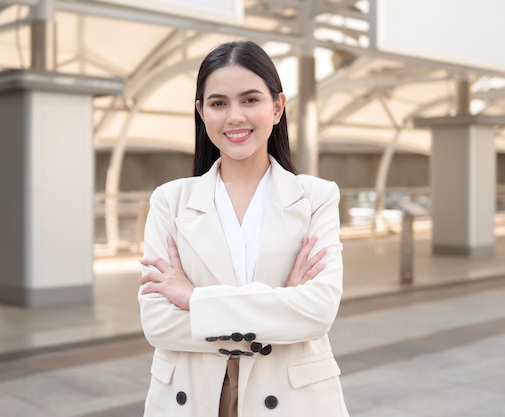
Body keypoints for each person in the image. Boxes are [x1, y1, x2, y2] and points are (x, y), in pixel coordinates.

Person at [138, 40, 349, 417]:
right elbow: (157, 323)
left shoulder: (315, 197)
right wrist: (280, 303)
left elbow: (317, 311)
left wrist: (194, 299)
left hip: (290, 398)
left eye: (250, 100)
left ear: (277, 107)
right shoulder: (169, 201)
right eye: (218, 103)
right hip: (193, 395)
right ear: (202, 113)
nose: (235, 116)